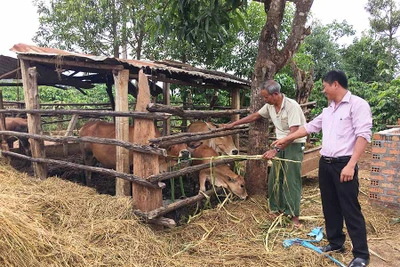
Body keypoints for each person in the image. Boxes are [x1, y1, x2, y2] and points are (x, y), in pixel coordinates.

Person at [272, 70, 371, 267]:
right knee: (330, 206)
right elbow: (308, 127)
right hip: (325, 164)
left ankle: (361, 254)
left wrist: (351, 165)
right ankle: (336, 243)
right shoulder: (329, 110)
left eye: (325, 86)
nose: (323, 90)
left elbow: (363, 135)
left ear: (335, 84)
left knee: (350, 209)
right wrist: (285, 139)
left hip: (344, 165)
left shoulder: (357, 105)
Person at [224, 79, 306, 227]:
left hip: (293, 145)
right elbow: (255, 116)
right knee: (275, 177)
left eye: (266, 97)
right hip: (280, 144)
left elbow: (294, 134)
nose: (264, 100)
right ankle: (276, 209)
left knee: (291, 180)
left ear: (275, 94)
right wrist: (233, 124)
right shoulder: (270, 106)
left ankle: (294, 216)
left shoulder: (291, 106)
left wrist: (275, 150)